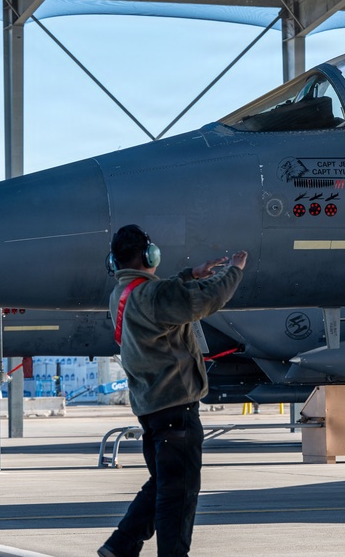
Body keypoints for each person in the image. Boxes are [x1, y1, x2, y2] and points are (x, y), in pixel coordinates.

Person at [98, 224, 248, 557]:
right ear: (149, 255)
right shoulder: (153, 295)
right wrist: (234, 272)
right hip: (176, 410)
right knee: (178, 496)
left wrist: (190, 275)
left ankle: (120, 546)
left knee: (163, 485)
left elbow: (166, 296)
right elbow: (205, 301)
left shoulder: (123, 294)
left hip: (151, 410)